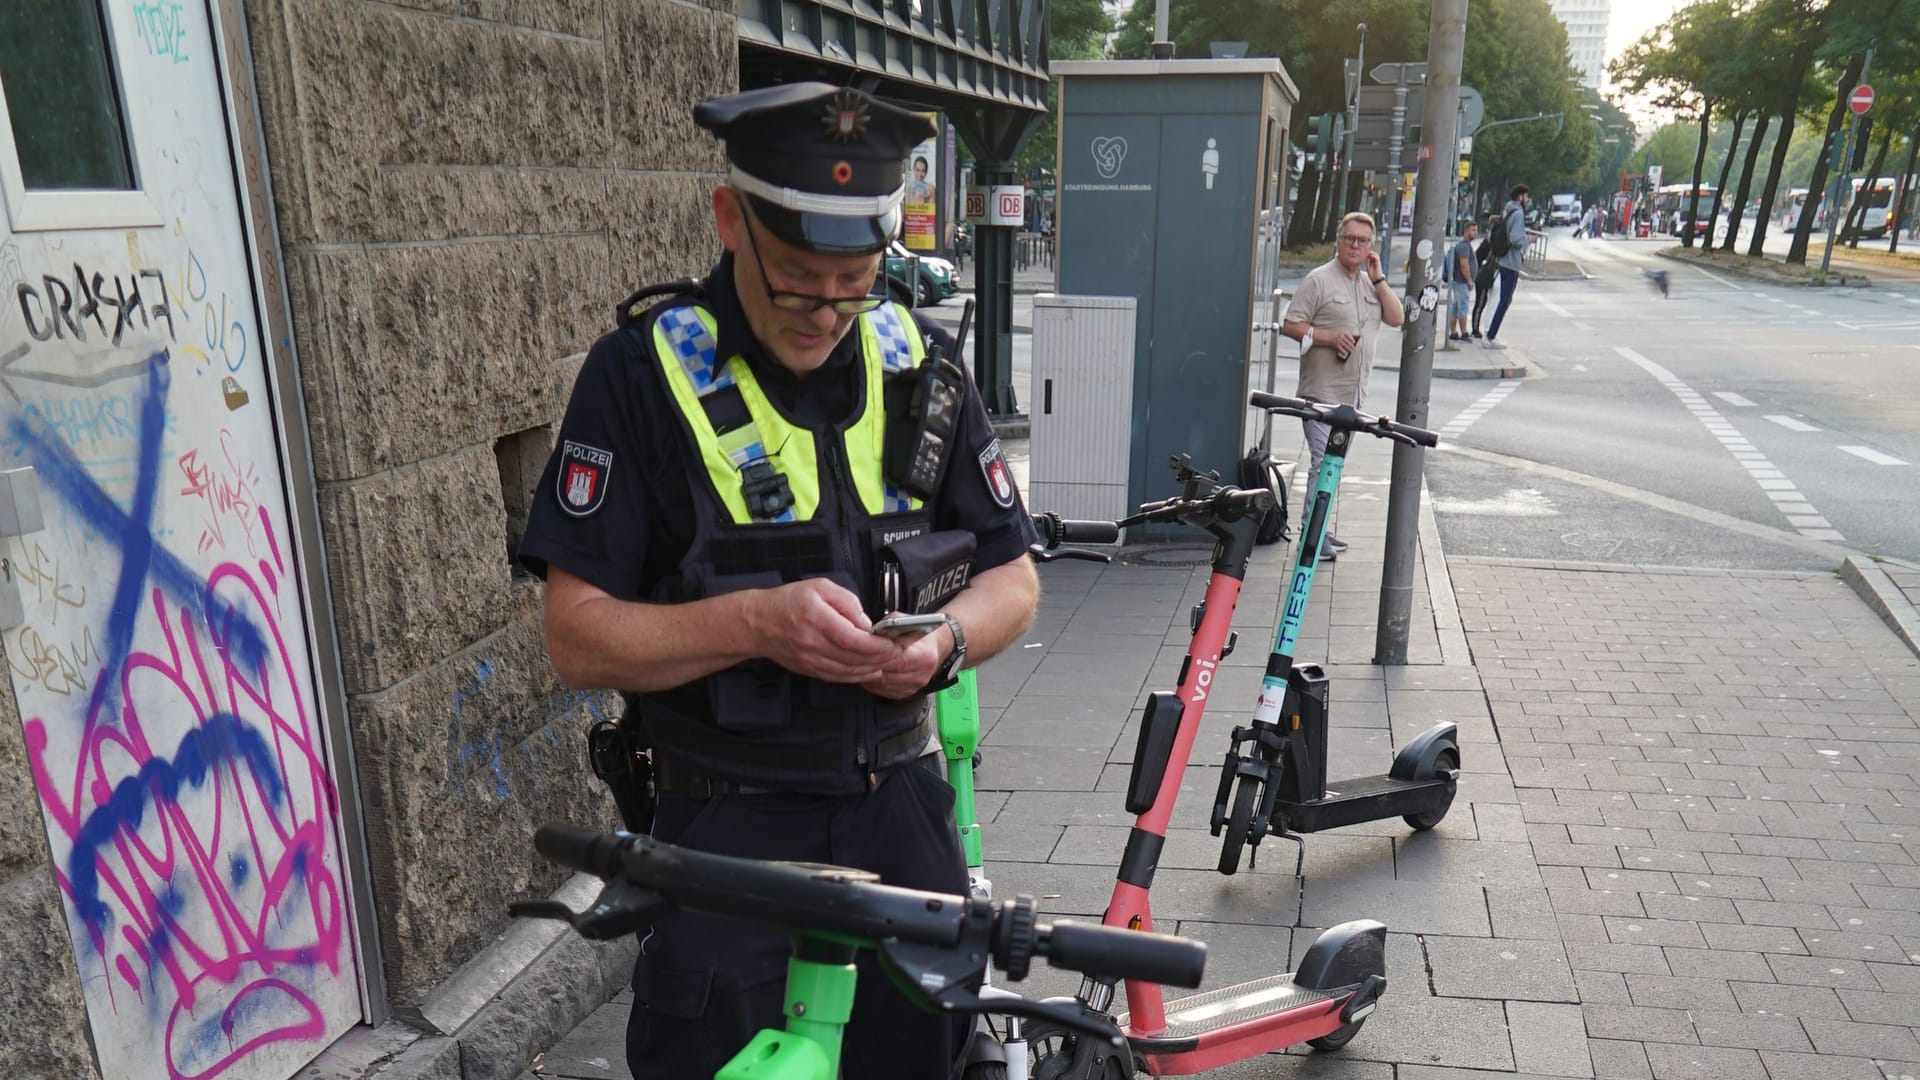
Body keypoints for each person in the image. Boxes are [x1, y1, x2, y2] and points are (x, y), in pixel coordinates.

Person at [516, 82, 1042, 1080]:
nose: (827, 314)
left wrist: (942, 643)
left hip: (903, 810)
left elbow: (1013, 579)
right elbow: (575, 637)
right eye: (798, 280)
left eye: (855, 281)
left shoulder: (921, 363)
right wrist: (756, 622)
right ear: (729, 220)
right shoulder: (638, 378)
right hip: (730, 833)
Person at [1280, 211, 1406, 561]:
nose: (1355, 245)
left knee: (1333, 466)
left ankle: (1318, 530)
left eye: (1362, 241)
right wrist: (1328, 337)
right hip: (1320, 395)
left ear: (1371, 247)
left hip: (1352, 398)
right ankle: (1310, 534)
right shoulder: (1318, 280)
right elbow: (1289, 325)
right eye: (1349, 238)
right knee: (1323, 463)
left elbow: (1396, 318)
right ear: (1339, 241)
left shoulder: (1369, 283)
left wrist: (1379, 279)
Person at [1484, 185, 1529, 349]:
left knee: (1503, 299)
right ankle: (1491, 335)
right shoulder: (1518, 214)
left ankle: (1490, 333)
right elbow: (1516, 238)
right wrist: (1528, 240)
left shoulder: (1507, 211)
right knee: (1505, 300)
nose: (1528, 200)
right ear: (1520, 197)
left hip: (1503, 260)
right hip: (1511, 262)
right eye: (1526, 196)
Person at [1447, 221, 1478, 342]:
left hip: (1459, 282)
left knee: (1456, 308)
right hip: (1462, 282)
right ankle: (1464, 333)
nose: (1475, 233)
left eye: (1476, 230)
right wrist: (1469, 280)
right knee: (1463, 308)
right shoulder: (1464, 246)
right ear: (1466, 231)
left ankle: (1453, 332)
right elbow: (1464, 265)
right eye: (1473, 230)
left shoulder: (1464, 245)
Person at [1470, 211, 1500, 340]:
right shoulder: (1490, 241)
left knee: (1482, 302)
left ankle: (1476, 327)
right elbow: (1478, 256)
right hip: (1483, 275)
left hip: (1484, 273)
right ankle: (1475, 328)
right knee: (1480, 302)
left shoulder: (1489, 239)